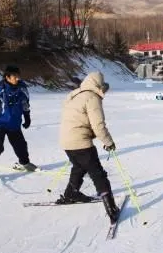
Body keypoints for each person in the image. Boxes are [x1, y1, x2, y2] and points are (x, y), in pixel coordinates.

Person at [58, 71, 120, 225]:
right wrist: (108, 142)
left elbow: (78, 119)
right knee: (98, 174)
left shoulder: (74, 95)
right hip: (80, 142)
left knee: (79, 167)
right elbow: (98, 125)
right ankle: (111, 209)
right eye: (103, 88)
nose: (104, 92)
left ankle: (71, 193)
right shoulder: (92, 98)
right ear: (97, 85)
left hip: (66, 141)